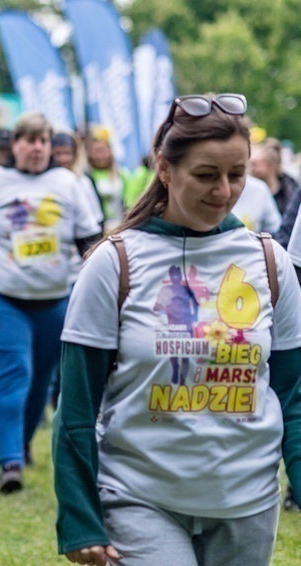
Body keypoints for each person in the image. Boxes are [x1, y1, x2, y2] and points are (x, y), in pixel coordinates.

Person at [54, 93, 301, 565]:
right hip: (138, 498)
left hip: (248, 503)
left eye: (237, 174)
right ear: (165, 169)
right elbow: (78, 405)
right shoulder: (114, 262)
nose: (224, 191)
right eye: (206, 175)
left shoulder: (270, 262)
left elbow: (294, 393)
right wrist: (78, 516)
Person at [0, 113, 102, 494]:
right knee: (11, 376)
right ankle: (10, 463)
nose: (36, 148)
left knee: (38, 383)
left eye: (43, 141)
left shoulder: (69, 183)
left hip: (54, 301)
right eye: (28, 140)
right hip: (1, 297)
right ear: (14, 145)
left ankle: (23, 443)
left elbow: (90, 240)